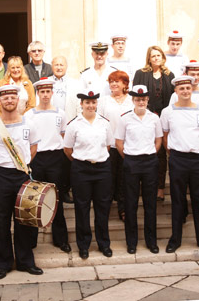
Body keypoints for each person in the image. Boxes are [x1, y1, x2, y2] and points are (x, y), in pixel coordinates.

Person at [0, 85, 43, 280]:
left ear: (18, 100)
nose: (9, 100)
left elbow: (33, 148)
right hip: (2, 177)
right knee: (2, 221)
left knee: (24, 220)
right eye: (4, 97)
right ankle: (3, 263)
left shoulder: (28, 124)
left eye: (12, 97)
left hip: (22, 175)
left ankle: (25, 261)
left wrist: (21, 165)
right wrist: (1, 169)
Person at [160, 75, 199, 253]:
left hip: (198, 159)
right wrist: (173, 151)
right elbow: (165, 135)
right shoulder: (167, 112)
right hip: (178, 159)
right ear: (176, 91)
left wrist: (198, 147)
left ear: (191, 89)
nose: (185, 91)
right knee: (178, 200)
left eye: (187, 88)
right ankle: (175, 239)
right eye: (181, 89)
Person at [63, 88, 114, 259]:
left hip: (102, 169)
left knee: (103, 208)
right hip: (81, 170)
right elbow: (68, 149)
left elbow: (107, 145)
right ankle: (83, 245)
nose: (91, 105)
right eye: (87, 102)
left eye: (93, 102)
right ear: (81, 104)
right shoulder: (74, 124)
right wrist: (82, 161)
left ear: (96, 103)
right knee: (82, 209)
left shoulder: (105, 123)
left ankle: (104, 243)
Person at [115, 85, 162, 254]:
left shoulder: (154, 118)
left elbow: (158, 140)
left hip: (149, 161)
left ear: (147, 100)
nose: (140, 102)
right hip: (131, 162)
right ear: (133, 101)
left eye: (143, 99)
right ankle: (132, 242)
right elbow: (119, 143)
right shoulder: (125, 119)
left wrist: (150, 154)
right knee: (130, 204)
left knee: (150, 204)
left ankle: (151, 242)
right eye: (137, 99)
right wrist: (128, 158)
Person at [24, 78, 70, 252]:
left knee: (55, 198)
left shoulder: (60, 113)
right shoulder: (29, 115)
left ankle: (61, 239)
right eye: (42, 92)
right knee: (34, 200)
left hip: (56, 158)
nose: (45, 95)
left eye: (48, 91)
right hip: (37, 158)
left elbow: (64, 135)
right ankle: (31, 240)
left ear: (52, 93)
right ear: (38, 93)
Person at [133, 46, 175, 201]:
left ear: (163, 57)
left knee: (161, 152)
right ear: (149, 58)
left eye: (159, 55)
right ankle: (142, 186)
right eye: (153, 56)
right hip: (146, 115)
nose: (156, 58)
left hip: (163, 116)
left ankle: (160, 187)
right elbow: (136, 95)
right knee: (143, 148)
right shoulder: (141, 74)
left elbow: (172, 98)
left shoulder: (169, 75)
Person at [98, 70, 134, 221]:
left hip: (128, 145)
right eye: (111, 81)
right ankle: (105, 210)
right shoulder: (104, 101)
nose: (113, 84)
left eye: (116, 81)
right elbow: (99, 122)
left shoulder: (132, 99)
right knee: (108, 179)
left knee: (125, 179)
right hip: (110, 146)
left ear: (125, 84)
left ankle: (123, 208)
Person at [50, 56, 81, 204]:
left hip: (69, 125)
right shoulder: (46, 83)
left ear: (66, 66)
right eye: (56, 65)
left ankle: (66, 190)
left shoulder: (76, 84)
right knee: (55, 161)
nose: (59, 67)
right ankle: (54, 191)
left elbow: (79, 106)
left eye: (62, 64)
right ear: (52, 67)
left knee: (68, 159)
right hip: (51, 128)